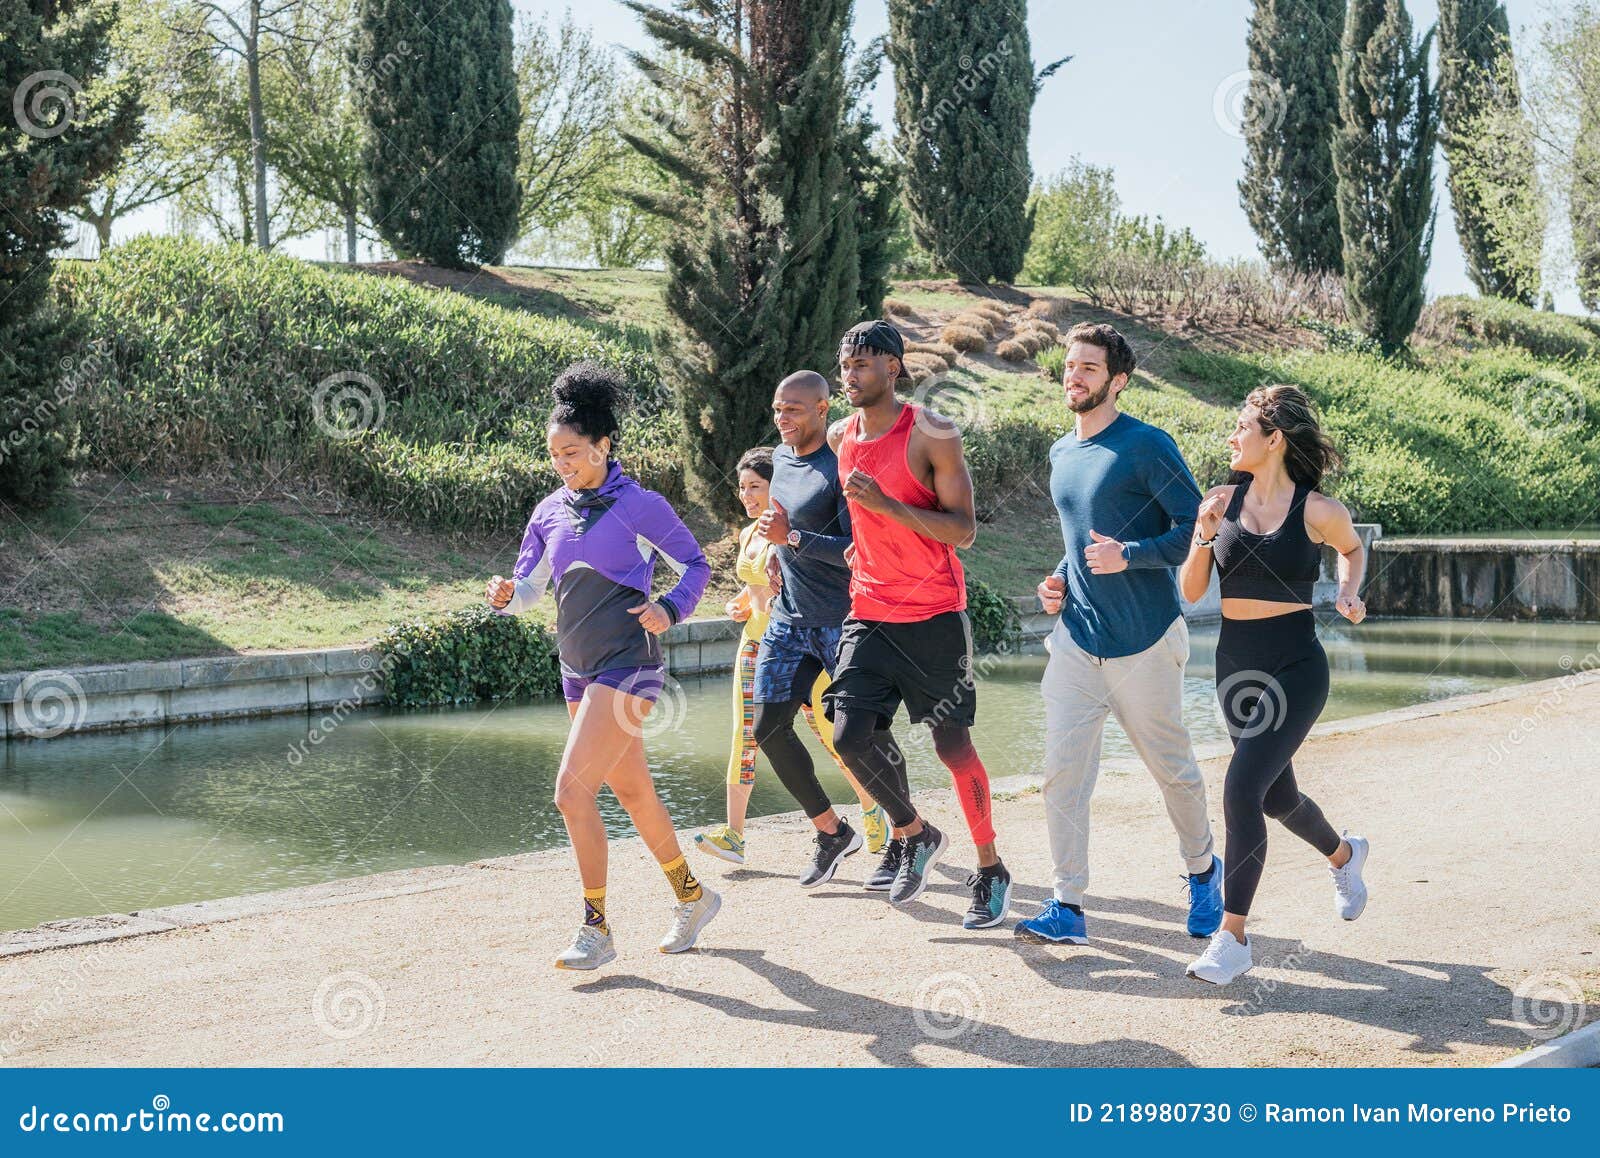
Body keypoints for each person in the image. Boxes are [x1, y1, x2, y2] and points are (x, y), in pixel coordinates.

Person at [486, 362, 719, 971]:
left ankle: (597, 927)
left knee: (571, 791)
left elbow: (696, 566)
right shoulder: (547, 512)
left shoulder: (640, 506)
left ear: (603, 444)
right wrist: (511, 597)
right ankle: (693, 898)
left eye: (571, 452)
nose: (561, 463)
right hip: (576, 668)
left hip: (629, 664)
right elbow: (533, 586)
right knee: (634, 789)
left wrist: (670, 608)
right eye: (554, 454)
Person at [1014, 322, 1223, 947]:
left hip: (1146, 641)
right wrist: (1057, 579)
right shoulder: (1060, 453)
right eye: (1069, 366)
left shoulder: (1147, 446)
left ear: (1117, 381)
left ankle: (1203, 870)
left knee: (1174, 771)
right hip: (1078, 638)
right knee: (1061, 773)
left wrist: (1131, 553)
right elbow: (1078, 543)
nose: (1073, 376)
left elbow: (1197, 527)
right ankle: (1068, 905)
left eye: (1088, 368)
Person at [821, 319, 1015, 930]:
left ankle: (990, 869)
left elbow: (963, 529)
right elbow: (860, 518)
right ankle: (915, 830)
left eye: (863, 364)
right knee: (849, 736)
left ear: (894, 369)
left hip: (934, 613)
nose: (850, 375)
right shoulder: (838, 436)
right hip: (869, 611)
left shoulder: (933, 433)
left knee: (951, 746)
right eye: (845, 364)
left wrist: (888, 507)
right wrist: (861, 543)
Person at [1177, 384, 1370, 985]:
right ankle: (1345, 854)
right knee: (1274, 797)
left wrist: (1348, 588)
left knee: (1240, 791)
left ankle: (1231, 938)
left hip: (1296, 667)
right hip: (1236, 670)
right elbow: (1189, 591)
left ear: (1273, 439)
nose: (1232, 436)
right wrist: (1205, 534)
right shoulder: (1219, 501)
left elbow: (1353, 548)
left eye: (1242, 426)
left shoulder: (1317, 510)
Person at [695, 445, 887, 865]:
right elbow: (755, 588)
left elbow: (814, 571)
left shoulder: (789, 530)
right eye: (742, 487)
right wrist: (743, 602)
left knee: (834, 737)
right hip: (755, 645)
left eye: (755, 487)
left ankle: (873, 809)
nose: (746, 496)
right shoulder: (748, 534)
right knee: (746, 736)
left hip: (803, 644)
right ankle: (734, 834)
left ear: (777, 488)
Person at [749, 371, 889, 887]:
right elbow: (782, 526)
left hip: (844, 622)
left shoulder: (842, 466)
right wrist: (777, 555)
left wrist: (796, 539)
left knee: (866, 738)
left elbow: (859, 553)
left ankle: (905, 834)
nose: (782, 418)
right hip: (789, 618)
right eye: (777, 409)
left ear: (823, 408)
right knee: (767, 728)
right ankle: (832, 832)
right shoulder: (780, 458)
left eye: (794, 410)